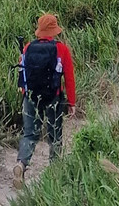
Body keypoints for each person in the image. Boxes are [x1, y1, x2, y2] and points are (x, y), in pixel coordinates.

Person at [13, 14, 77, 189]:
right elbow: (69, 78)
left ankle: (21, 164)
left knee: (29, 134)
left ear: (39, 30)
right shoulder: (62, 49)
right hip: (53, 97)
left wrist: (26, 94)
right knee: (55, 134)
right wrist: (71, 102)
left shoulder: (27, 48)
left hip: (30, 96)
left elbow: (23, 74)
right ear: (54, 31)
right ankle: (55, 174)